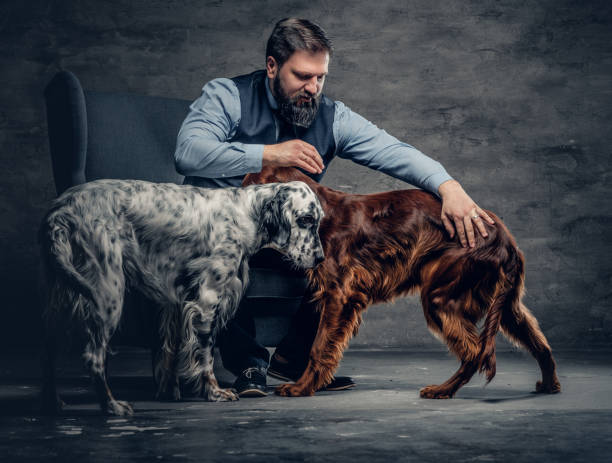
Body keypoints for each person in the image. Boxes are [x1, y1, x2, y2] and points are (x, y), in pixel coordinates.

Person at [174, 18, 494, 397]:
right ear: (273, 66)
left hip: (283, 239)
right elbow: (188, 152)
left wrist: (448, 186)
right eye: (302, 76)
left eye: (320, 78)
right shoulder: (227, 96)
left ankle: (294, 361)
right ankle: (248, 366)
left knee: (339, 256)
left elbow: (393, 151)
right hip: (221, 232)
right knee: (225, 254)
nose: (313, 88)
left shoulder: (332, 116)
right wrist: (268, 155)